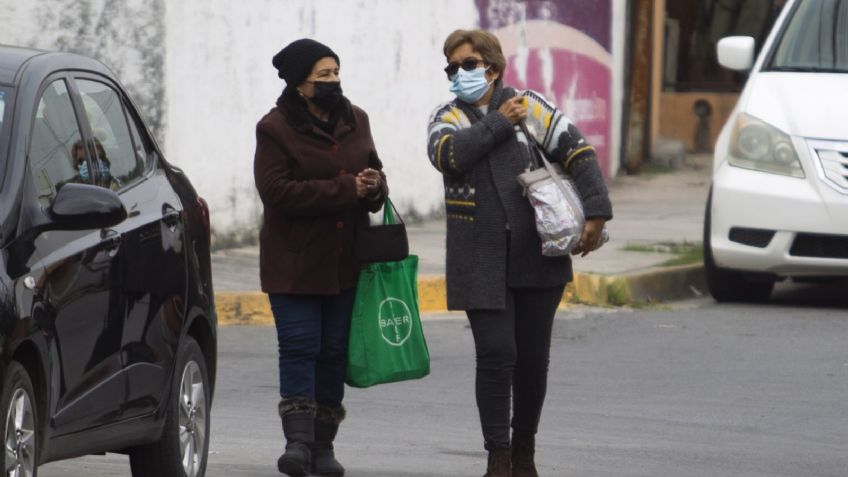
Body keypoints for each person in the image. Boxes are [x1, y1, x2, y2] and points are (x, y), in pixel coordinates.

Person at [426, 30, 612, 477]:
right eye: (451, 67)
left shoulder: (530, 105)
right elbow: (448, 156)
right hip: (477, 258)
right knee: (495, 352)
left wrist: (597, 213)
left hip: (538, 253)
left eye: (467, 65)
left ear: (492, 66)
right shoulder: (446, 116)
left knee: (531, 359)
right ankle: (498, 455)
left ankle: (524, 448)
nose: (458, 74)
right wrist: (497, 123)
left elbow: (579, 151)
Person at [254, 38, 387, 477]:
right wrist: (345, 188)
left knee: (332, 352)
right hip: (293, 262)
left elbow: (373, 174)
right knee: (299, 346)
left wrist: (373, 187)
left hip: (345, 261)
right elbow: (276, 192)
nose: (333, 82)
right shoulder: (274, 128)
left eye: (335, 72)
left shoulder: (357, 119)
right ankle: (297, 443)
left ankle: (324, 447)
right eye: (322, 76)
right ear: (299, 84)